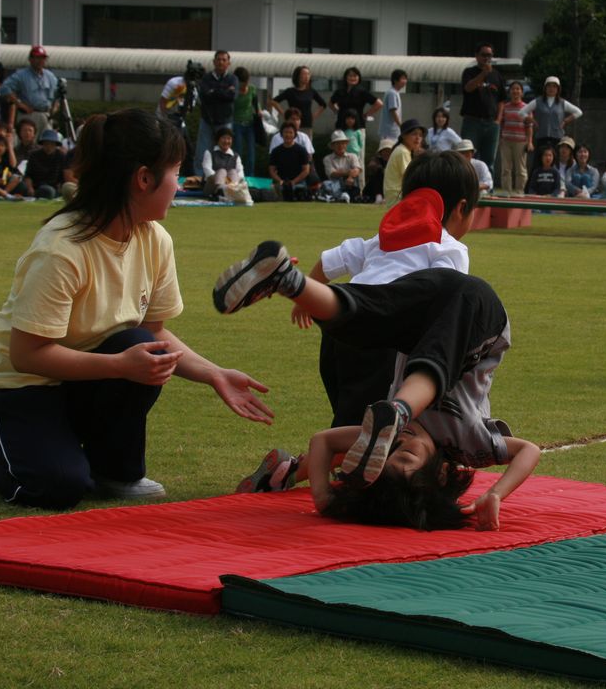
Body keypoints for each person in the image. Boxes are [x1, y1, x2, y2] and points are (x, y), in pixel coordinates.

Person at [0, 108, 273, 509]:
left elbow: (155, 333)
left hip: (79, 382)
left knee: (140, 341)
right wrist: (120, 366)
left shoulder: (155, 240)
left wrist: (214, 375)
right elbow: (27, 354)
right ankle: (0, 456)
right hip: (18, 389)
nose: (180, 185)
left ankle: (115, 470)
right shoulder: (62, 250)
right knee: (57, 486)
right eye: (175, 173)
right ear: (143, 178)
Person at [212, 250, 539, 531]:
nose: (400, 441)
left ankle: (289, 281)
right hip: (479, 312)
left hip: (426, 298)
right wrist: (496, 493)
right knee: (434, 364)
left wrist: (325, 498)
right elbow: (529, 451)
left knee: (363, 317)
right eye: (406, 452)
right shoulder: (468, 443)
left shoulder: (378, 439)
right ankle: (401, 407)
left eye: (388, 449)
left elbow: (323, 441)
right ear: (442, 472)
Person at [258, 150, 477, 434]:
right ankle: (307, 466)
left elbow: (330, 261)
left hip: (340, 327)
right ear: (462, 208)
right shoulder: (450, 249)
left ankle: (291, 282)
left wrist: (307, 300)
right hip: (382, 337)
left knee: (349, 411)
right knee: (368, 426)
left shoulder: (383, 239)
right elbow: (450, 307)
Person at [460, 42, 504, 174]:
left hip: (491, 123)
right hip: (472, 121)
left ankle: (487, 189)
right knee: (466, 157)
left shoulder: (497, 75)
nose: (487, 58)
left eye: (490, 55)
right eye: (484, 55)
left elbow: (501, 99)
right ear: (476, 56)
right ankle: (466, 185)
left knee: (489, 159)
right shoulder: (469, 72)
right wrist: (483, 74)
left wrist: (498, 120)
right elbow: (468, 88)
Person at [194, 51, 238, 175]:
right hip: (207, 121)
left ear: (228, 63)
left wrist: (214, 91)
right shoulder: (206, 78)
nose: (221, 62)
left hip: (225, 122)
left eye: (224, 60)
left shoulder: (233, 79)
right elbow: (204, 95)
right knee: (202, 152)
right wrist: (224, 91)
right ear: (214, 62)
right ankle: (199, 179)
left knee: (225, 152)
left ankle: (225, 179)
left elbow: (232, 96)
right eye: (218, 59)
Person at [2, 46, 58, 135]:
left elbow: (57, 94)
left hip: (46, 115)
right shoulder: (21, 75)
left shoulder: (50, 76)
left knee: (46, 143)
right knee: (28, 143)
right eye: (37, 57)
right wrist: (20, 104)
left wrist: (54, 108)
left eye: (43, 58)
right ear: (30, 59)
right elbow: (5, 88)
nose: (40, 61)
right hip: (29, 115)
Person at [522, 76, 582, 158]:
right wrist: (532, 120)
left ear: (558, 89)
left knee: (556, 161)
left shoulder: (562, 102)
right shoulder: (538, 101)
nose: (551, 88)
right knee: (539, 160)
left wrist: (565, 121)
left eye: (554, 86)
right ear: (545, 88)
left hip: (557, 137)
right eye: (549, 86)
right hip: (541, 137)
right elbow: (522, 112)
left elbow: (578, 112)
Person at [269, 65, 326, 138]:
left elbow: (323, 104)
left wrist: (314, 116)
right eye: (304, 74)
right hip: (292, 124)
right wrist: (284, 114)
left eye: (308, 74)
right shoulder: (290, 91)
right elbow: (273, 101)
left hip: (306, 123)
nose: (307, 77)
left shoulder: (311, 91)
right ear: (298, 76)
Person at [497, 80, 532, 196]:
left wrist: (530, 142)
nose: (515, 91)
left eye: (518, 89)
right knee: (506, 168)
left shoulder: (527, 108)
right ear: (509, 91)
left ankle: (519, 191)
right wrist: (500, 139)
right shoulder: (505, 107)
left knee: (520, 169)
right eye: (513, 89)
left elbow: (529, 126)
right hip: (506, 141)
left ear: (522, 92)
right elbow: (501, 124)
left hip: (521, 141)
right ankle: (507, 191)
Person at [383, 118, 425, 208]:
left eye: (420, 135)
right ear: (404, 136)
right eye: (414, 134)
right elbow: (410, 177)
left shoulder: (404, 150)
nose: (418, 138)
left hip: (396, 196)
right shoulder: (403, 152)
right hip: (398, 197)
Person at [24, 129, 73, 200]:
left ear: (55, 145)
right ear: (43, 144)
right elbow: (28, 175)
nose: (49, 147)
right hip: (36, 186)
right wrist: (30, 188)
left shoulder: (61, 156)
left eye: (52, 144)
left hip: (54, 187)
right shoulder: (34, 155)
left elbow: (64, 175)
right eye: (46, 143)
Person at [268, 122, 311, 202]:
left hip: (298, 182)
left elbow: (306, 170)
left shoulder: (301, 150)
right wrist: (280, 181)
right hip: (281, 182)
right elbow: (271, 170)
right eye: (285, 132)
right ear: (281, 134)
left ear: (294, 134)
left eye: (290, 132)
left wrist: (293, 182)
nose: (288, 135)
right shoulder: (276, 151)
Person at [200, 126, 245, 201]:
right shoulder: (209, 152)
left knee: (233, 172)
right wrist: (223, 182)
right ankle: (220, 192)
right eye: (224, 138)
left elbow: (241, 173)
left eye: (229, 139)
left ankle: (230, 193)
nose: (226, 141)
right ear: (218, 140)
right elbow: (207, 171)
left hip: (230, 187)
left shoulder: (236, 156)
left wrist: (230, 184)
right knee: (222, 171)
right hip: (211, 187)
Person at [231, 66, 261, 177]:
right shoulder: (233, 91)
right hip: (236, 123)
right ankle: (237, 175)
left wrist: (259, 111)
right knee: (237, 151)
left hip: (250, 123)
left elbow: (255, 102)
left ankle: (250, 175)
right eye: (242, 83)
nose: (244, 86)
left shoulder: (252, 89)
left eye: (246, 82)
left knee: (251, 152)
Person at [321, 130, 362, 202]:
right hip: (335, 184)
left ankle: (339, 197)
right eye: (337, 144)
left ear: (346, 144)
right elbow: (332, 174)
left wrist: (350, 177)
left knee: (354, 181)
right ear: (333, 146)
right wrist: (348, 173)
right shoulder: (327, 158)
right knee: (328, 184)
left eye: (343, 143)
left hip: (350, 184)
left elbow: (357, 170)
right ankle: (341, 196)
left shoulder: (352, 156)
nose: (340, 146)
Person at [364, 138, 394, 204]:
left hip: (390, 187)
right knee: (379, 174)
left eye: (389, 151)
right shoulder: (376, 159)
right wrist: (383, 169)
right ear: (381, 152)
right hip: (374, 189)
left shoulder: (394, 161)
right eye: (385, 150)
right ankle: (378, 196)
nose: (387, 153)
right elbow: (371, 166)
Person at [379, 69, 406, 143]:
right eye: (402, 78)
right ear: (395, 80)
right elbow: (393, 111)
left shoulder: (395, 92)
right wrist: (401, 125)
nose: (405, 81)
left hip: (393, 131)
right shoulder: (392, 93)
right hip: (389, 132)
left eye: (405, 79)